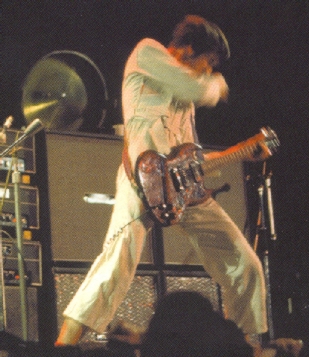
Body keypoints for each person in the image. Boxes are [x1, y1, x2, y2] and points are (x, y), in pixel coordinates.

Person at [56, 14, 273, 348]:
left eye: (213, 67)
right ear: (187, 49)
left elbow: (191, 162)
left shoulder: (186, 103)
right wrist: (217, 84)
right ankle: (64, 345)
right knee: (117, 262)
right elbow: (195, 86)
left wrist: (239, 152)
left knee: (244, 263)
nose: (209, 70)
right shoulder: (147, 53)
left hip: (180, 191)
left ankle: (243, 347)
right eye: (209, 61)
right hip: (141, 181)